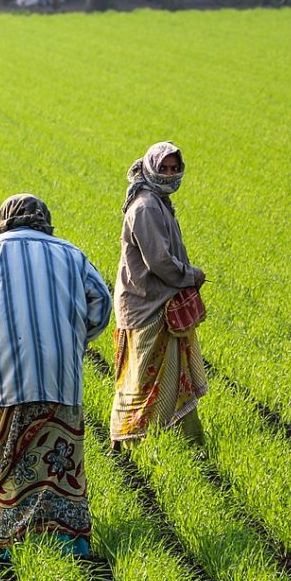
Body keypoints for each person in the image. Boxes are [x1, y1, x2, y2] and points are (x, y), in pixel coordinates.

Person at [0, 194, 112, 559]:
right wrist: (73, 338)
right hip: (60, 375)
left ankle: (2, 541)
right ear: (44, 220)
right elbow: (102, 303)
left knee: (4, 456)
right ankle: (67, 541)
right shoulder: (71, 253)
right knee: (57, 461)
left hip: (6, 375)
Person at [110, 141, 207, 450]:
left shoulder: (157, 200)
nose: (169, 174)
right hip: (147, 306)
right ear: (150, 167)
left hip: (157, 303)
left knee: (171, 378)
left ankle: (185, 443)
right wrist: (192, 275)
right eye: (163, 168)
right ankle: (128, 441)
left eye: (174, 168)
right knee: (142, 381)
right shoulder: (147, 206)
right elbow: (160, 262)